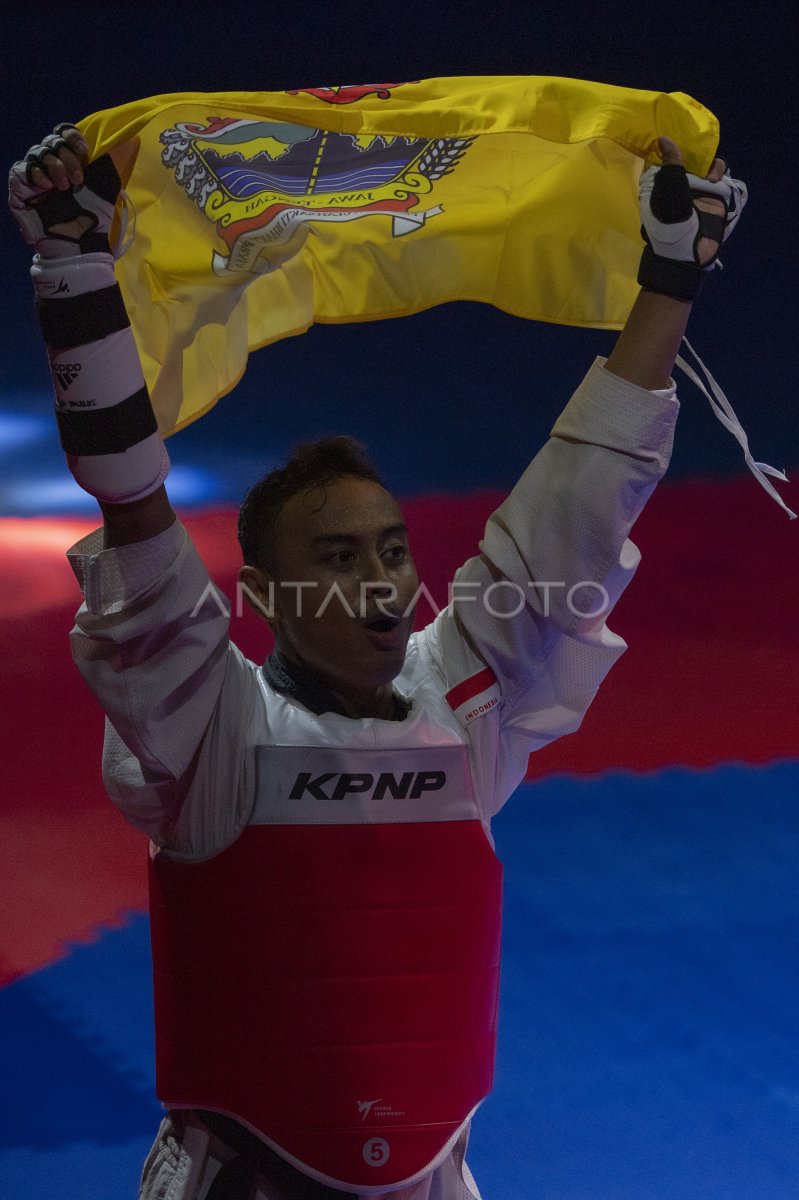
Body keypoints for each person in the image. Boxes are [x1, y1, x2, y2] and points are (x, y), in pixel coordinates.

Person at [9, 122, 745, 1199]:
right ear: (260, 596)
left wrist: (670, 280)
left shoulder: (464, 703)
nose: (384, 584)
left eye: (395, 552)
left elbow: (578, 505)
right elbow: (134, 511)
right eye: (340, 558)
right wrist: (73, 272)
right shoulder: (214, 735)